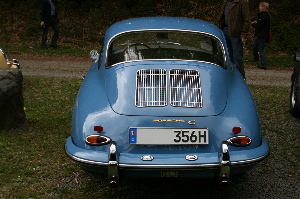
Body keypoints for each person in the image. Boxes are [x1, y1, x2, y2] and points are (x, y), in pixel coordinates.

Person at [219, 0, 250, 79]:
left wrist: (244, 34)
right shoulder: (226, 1)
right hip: (225, 30)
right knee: (228, 57)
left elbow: (246, 19)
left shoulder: (241, 2)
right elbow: (222, 15)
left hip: (236, 33)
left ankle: (241, 78)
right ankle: (230, 77)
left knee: (237, 57)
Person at [251, 2, 270, 70]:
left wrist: (253, 25)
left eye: (260, 6)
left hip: (262, 35)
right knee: (254, 46)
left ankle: (264, 64)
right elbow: (260, 23)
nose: (259, 7)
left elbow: (260, 25)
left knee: (261, 49)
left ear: (263, 7)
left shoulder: (264, 15)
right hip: (260, 35)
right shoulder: (263, 15)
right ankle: (256, 58)